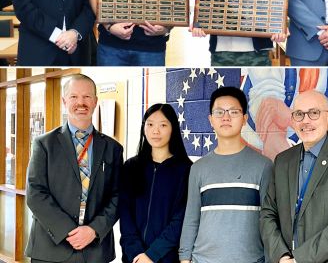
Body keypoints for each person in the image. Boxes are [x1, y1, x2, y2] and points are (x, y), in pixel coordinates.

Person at [260, 90, 328, 263]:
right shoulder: (282, 161)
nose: (305, 120)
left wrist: (299, 259)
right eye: (299, 114)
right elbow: (268, 213)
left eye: (314, 113)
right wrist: (281, 256)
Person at [26, 74, 123, 263]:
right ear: (64, 101)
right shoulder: (44, 144)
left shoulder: (113, 148)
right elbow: (35, 194)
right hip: (51, 249)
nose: (81, 102)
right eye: (74, 97)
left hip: (95, 250)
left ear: (95, 101)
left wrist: (93, 230)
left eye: (87, 97)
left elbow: (118, 196)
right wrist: (69, 231)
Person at [179, 86, 273, 263]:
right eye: (219, 112)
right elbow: (191, 217)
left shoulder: (264, 166)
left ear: (244, 119)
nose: (226, 117)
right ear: (211, 119)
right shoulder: (198, 168)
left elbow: (268, 222)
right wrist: (185, 258)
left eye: (233, 112)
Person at [119, 103, 192, 263]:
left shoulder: (186, 170)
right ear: (143, 128)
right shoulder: (131, 167)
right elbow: (125, 214)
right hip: (134, 258)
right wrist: (136, 254)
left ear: (173, 128)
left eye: (163, 125)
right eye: (150, 124)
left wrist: (152, 255)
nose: (155, 131)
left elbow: (181, 219)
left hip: (167, 258)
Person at [246, 67, 328, 160]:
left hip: (300, 155)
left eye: (314, 113)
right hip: (253, 150)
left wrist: (290, 117)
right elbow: (272, 133)